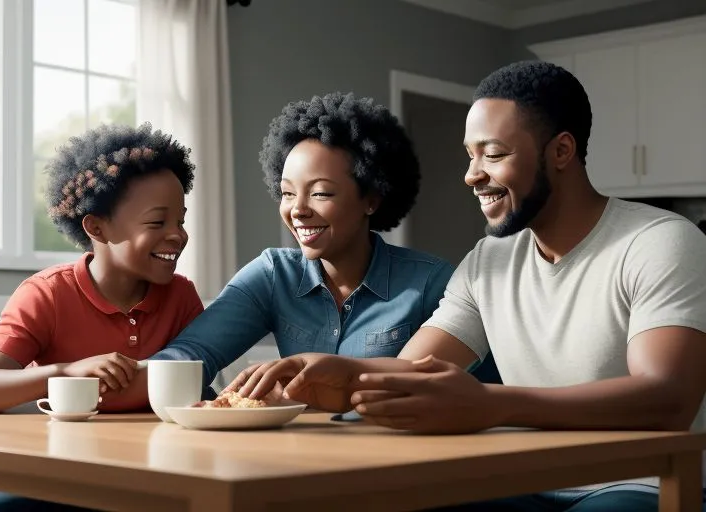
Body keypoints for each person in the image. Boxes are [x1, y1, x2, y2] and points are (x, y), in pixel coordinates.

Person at [231, 62, 706, 511]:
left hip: (639, 483)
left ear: (561, 151)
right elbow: (411, 370)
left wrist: (490, 404)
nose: (472, 174)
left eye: (493, 154)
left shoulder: (659, 242)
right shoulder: (489, 259)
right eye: (470, 155)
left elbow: (667, 400)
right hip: (523, 479)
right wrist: (336, 376)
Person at [104, 91, 498, 413]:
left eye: (321, 192)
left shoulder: (430, 282)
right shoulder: (274, 274)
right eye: (288, 192)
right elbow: (193, 352)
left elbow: (430, 386)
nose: (298, 209)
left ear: (372, 199)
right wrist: (104, 382)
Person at [0, 123, 204, 511]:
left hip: (152, 470)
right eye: (157, 222)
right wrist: (66, 372)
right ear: (96, 227)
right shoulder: (46, 294)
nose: (178, 235)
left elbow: (198, 389)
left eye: (181, 221)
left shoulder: (181, 295)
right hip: (58, 470)